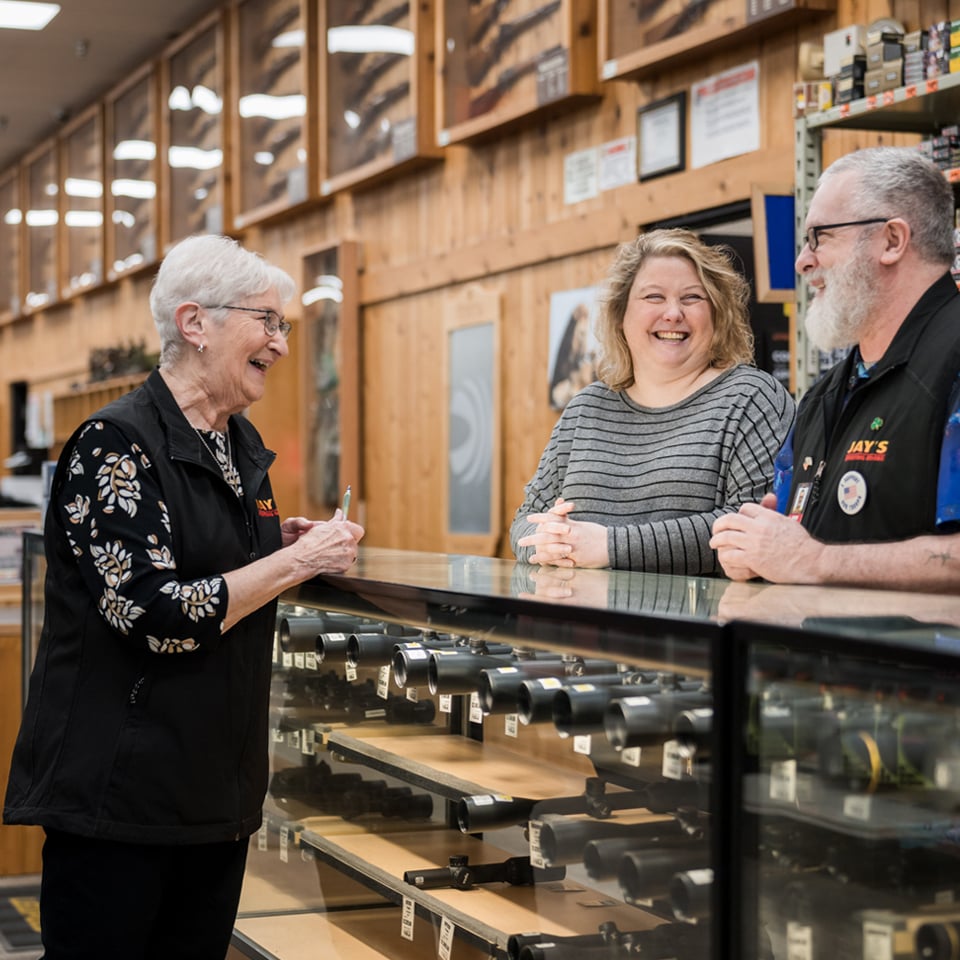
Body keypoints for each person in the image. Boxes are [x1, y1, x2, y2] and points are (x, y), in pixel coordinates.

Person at [3, 235, 365, 959]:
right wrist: (294, 563)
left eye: (283, 325)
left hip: (213, 796)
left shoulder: (236, 444)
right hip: (119, 799)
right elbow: (157, 614)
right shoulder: (113, 444)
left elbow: (208, 564)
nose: (280, 344)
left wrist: (274, 544)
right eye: (267, 321)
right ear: (196, 323)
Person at [710, 146, 960, 592]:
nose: (802, 262)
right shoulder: (825, 394)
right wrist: (759, 550)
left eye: (820, 237)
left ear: (892, 241)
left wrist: (815, 560)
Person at [510, 228, 795, 574]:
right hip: (581, 622)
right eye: (653, 297)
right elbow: (527, 519)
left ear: (718, 316)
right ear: (620, 316)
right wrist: (548, 542)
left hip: (699, 625)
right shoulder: (586, 408)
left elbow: (751, 527)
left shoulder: (751, 398)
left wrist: (610, 547)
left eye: (692, 298)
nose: (673, 313)